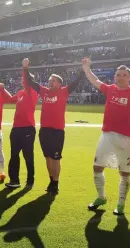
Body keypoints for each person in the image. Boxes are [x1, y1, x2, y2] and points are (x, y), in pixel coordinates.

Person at [84, 59, 130, 215]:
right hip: (107, 135)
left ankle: (121, 204)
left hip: (127, 139)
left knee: (124, 172)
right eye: (118, 75)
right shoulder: (110, 89)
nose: (121, 77)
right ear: (114, 77)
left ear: (129, 78)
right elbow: (95, 80)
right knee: (97, 167)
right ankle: (101, 197)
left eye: (124, 75)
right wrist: (86, 67)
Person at [21, 58, 84, 195]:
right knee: (48, 158)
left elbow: (77, 81)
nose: (50, 82)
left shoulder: (64, 91)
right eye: (49, 80)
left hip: (57, 131)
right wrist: (25, 68)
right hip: (44, 131)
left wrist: (83, 68)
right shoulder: (44, 91)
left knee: (56, 158)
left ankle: (56, 182)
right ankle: (51, 180)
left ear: (60, 83)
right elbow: (31, 83)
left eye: (53, 80)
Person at [1, 68, 39, 189]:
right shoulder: (21, 93)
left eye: (24, 80)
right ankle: (14, 180)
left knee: (28, 155)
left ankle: (30, 180)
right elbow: (10, 99)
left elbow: (27, 82)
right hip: (16, 128)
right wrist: (2, 89)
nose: (22, 82)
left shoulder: (32, 91)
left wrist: (25, 68)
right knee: (14, 155)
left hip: (28, 128)